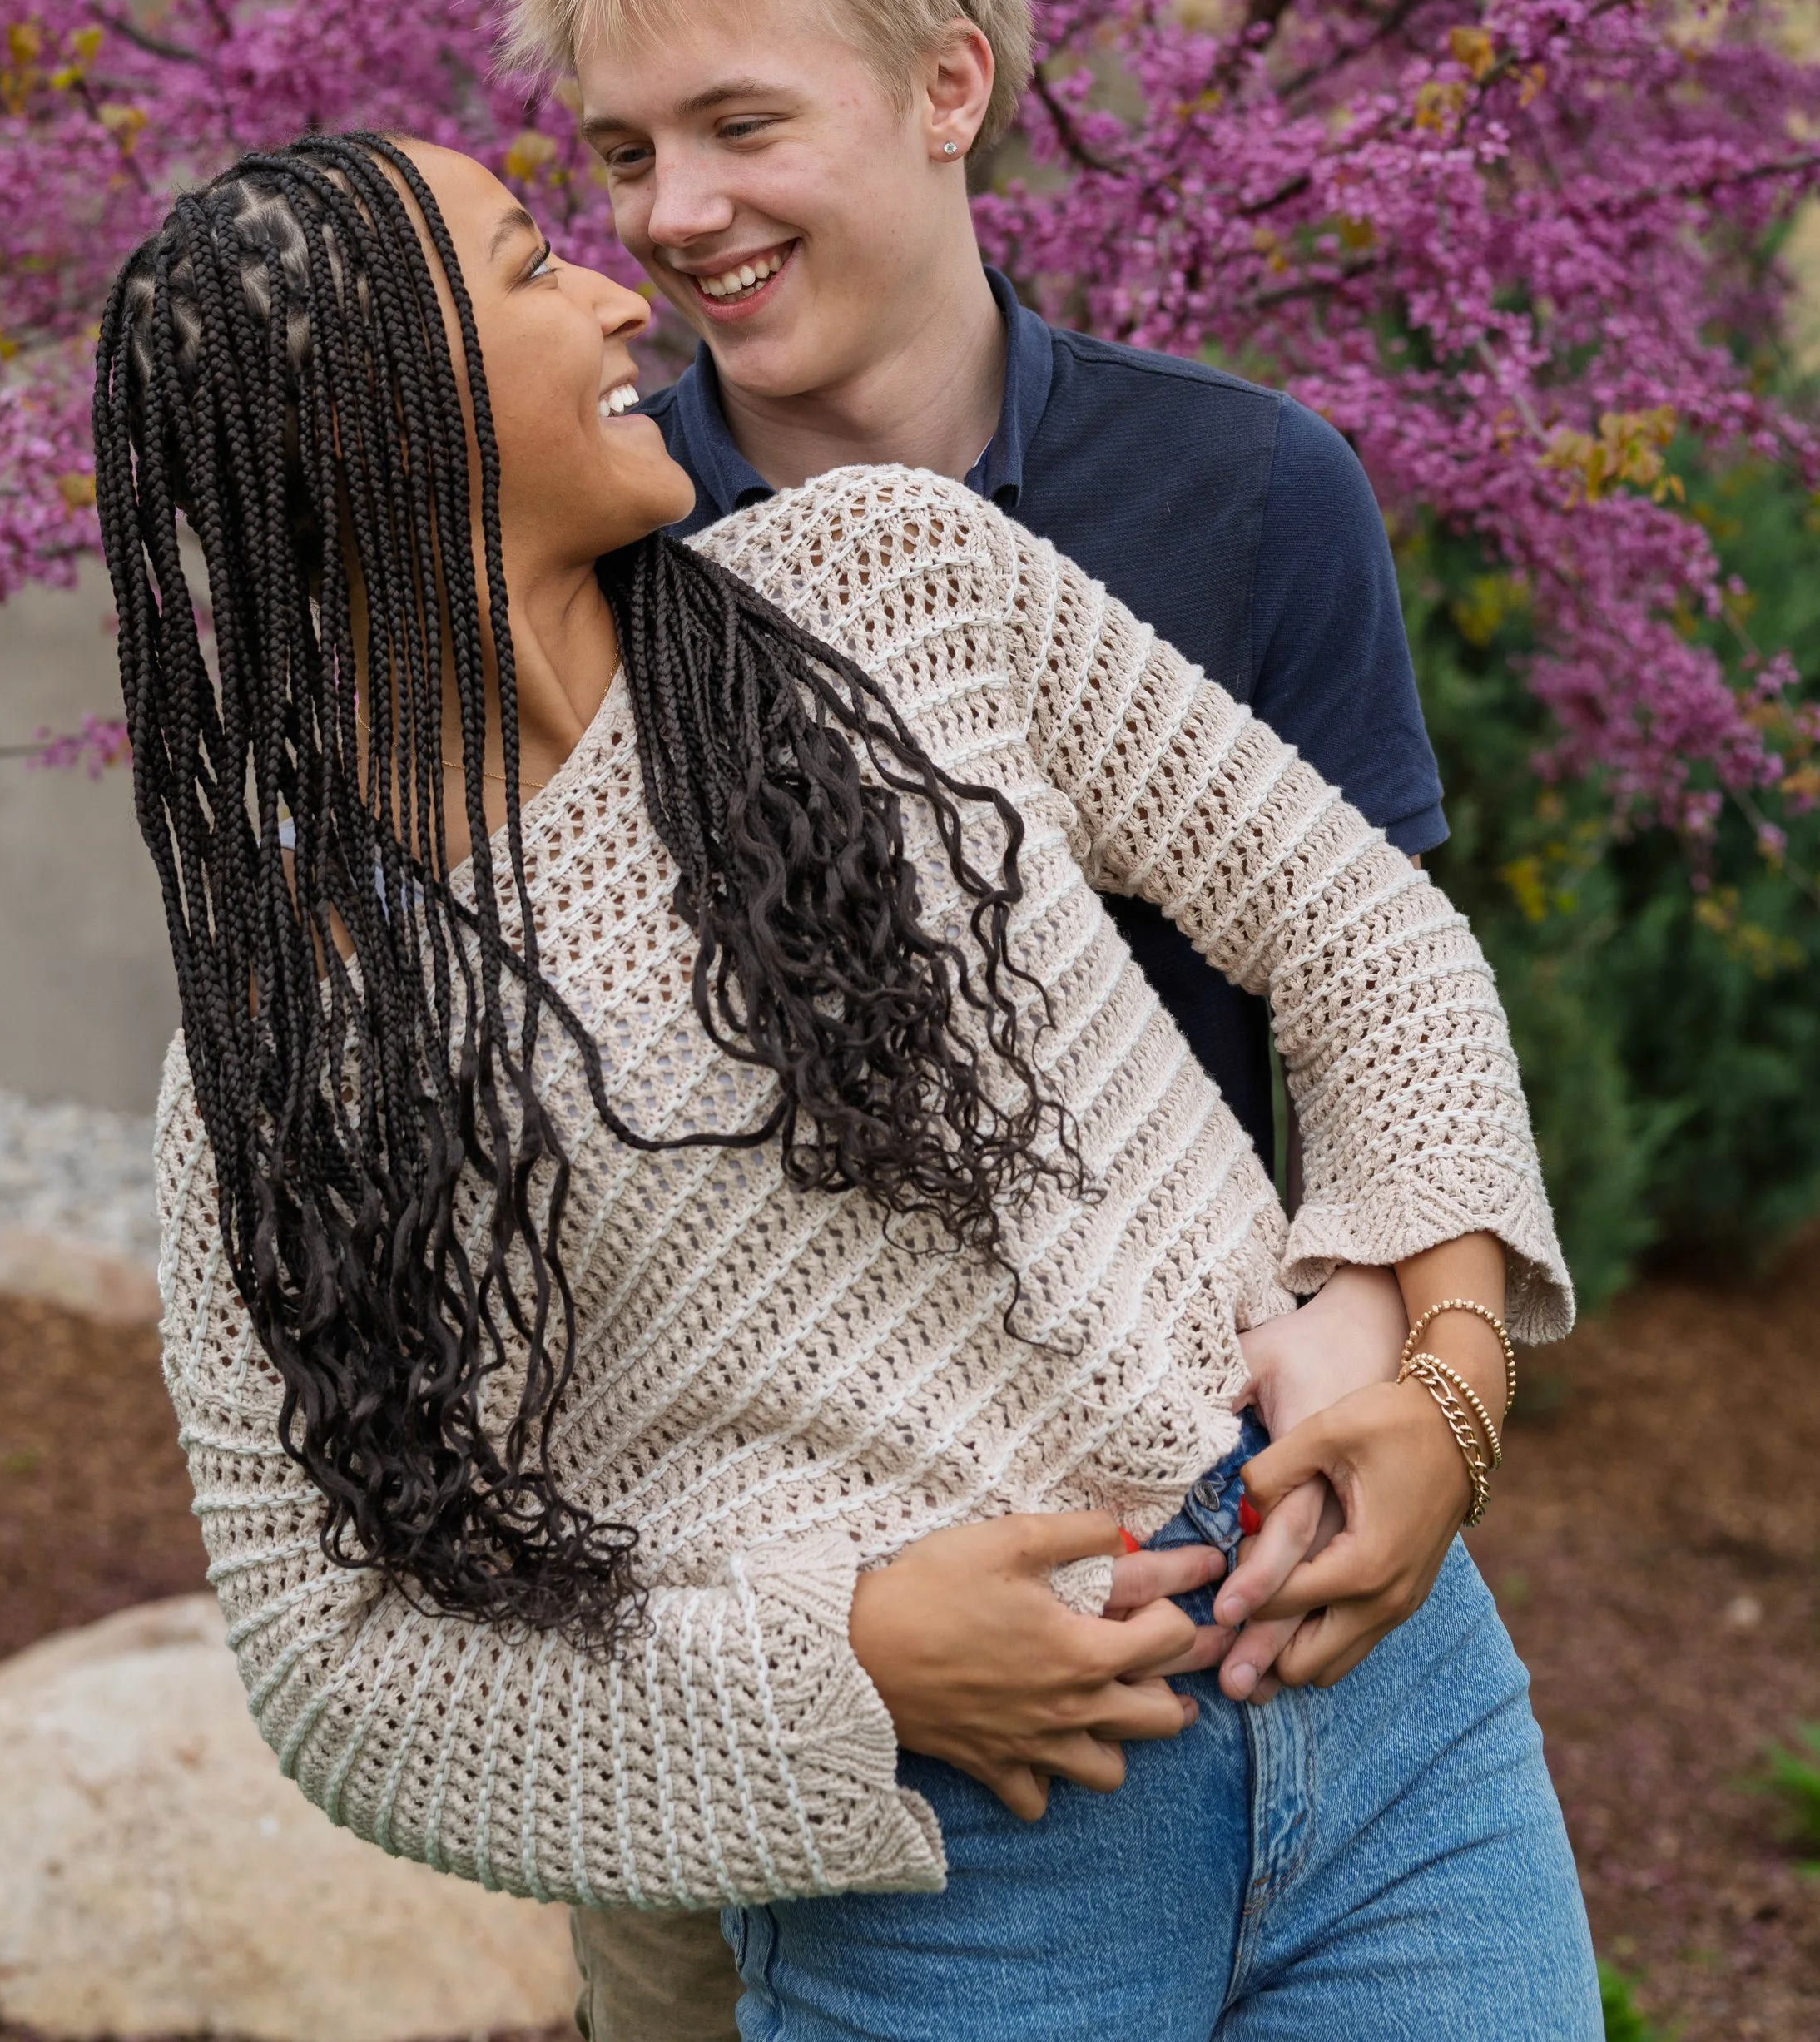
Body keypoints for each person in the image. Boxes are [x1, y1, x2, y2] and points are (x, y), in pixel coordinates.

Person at [97, 127, 1600, 2042]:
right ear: (386, 423)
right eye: (530, 265)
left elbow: (1363, 939)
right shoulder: (312, 1041)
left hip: (1396, 1735)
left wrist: (1443, 1379)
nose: (620, 286)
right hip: (967, 1879)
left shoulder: (891, 579)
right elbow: (333, 1664)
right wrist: (849, 1665)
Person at [498, 0, 1500, 2038]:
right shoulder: (591, 560)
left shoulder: (1245, 492)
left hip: (1255, 1613)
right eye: (624, 145)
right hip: (808, 1719)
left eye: (741, 120)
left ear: (949, 85)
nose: (673, 217)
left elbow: (1377, 994)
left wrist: (1440, 1375)